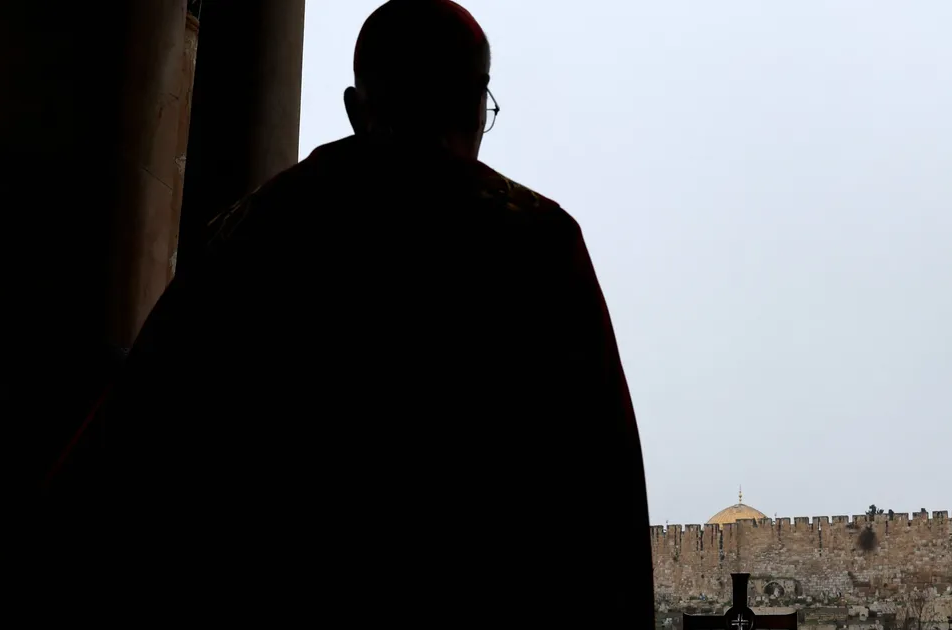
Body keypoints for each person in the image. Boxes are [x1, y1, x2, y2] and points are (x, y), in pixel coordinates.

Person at [36, 0, 653, 626]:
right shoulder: (537, 243)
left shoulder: (253, 234)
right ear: (474, 106)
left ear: (357, 110)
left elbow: (129, 449)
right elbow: (604, 493)